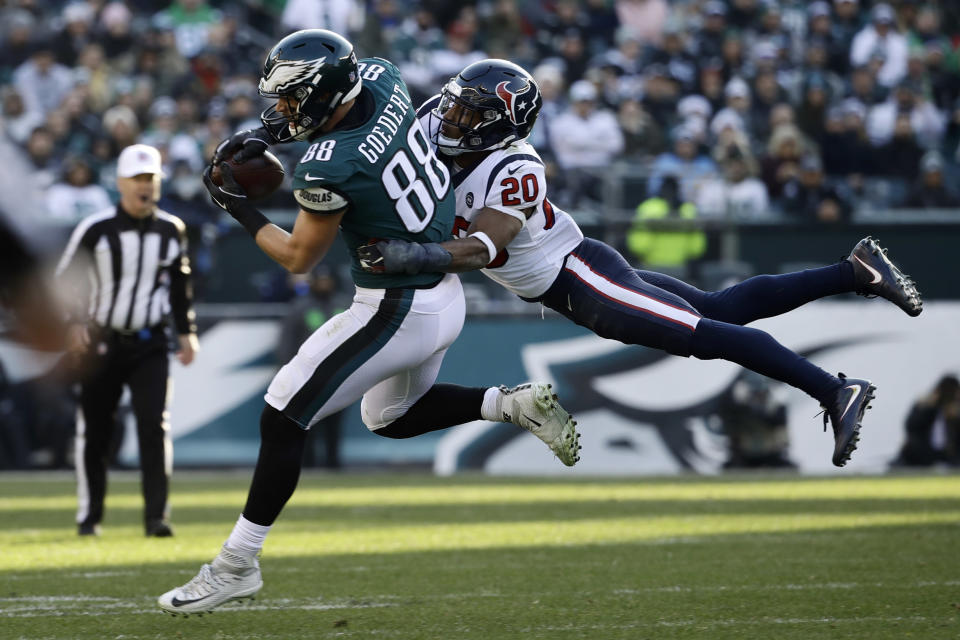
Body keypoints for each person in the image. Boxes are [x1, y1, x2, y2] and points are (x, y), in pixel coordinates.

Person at [157, 29, 578, 616]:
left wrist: (237, 206)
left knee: (282, 415)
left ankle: (235, 564)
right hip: (441, 292)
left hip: (395, 304)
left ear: (324, 94)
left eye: (292, 99)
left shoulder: (332, 167)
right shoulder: (383, 77)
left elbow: (299, 257)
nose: (281, 111)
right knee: (388, 416)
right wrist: (267, 133)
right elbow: (335, 119)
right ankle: (508, 404)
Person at [356, 58, 925, 474]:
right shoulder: (431, 121)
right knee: (722, 309)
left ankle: (833, 388)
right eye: (453, 102)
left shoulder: (517, 167)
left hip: (581, 279)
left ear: (501, 124)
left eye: (468, 111)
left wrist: (419, 254)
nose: (450, 115)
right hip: (582, 270)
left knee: (707, 334)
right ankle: (855, 272)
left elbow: (484, 246)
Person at [55, 144, 199, 538]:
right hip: (102, 343)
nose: (144, 186)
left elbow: (180, 285)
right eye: (137, 179)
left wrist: (186, 332)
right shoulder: (96, 229)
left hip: (150, 343)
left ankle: (156, 518)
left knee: (154, 426)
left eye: (150, 178)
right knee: (96, 430)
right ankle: (90, 517)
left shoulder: (172, 229)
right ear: (119, 184)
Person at [274, 266, 351, 469]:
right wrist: (289, 372)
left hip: (337, 375)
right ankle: (307, 464)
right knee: (305, 424)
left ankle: (333, 463)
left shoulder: (344, 305)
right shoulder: (300, 308)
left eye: (328, 280)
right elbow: (286, 342)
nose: (324, 284)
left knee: (334, 423)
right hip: (307, 376)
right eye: (320, 280)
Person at [891, 374, 960, 467]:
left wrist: (955, 418)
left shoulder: (955, 410)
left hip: (948, 456)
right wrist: (928, 407)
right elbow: (910, 427)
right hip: (922, 453)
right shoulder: (925, 405)